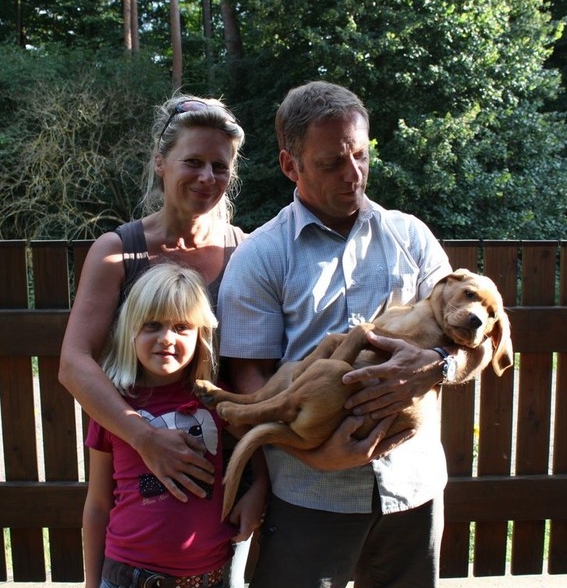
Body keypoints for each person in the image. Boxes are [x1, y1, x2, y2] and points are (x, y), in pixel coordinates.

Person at [218, 81, 490, 588]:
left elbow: (479, 337)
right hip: (311, 494)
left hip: (412, 486)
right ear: (290, 165)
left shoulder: (410, 236)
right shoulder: (261, 257)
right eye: (330, 163)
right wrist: (315, 455)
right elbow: (249, 381)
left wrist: (439, 366)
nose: (353, 174)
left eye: (361, 155)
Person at [58, 94, 258, 583]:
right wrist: (144, 437)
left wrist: (260, 482)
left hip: (225, 488)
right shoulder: (117, 252)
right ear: (160, 162)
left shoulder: (248, 253)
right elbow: (74, 363)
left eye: (220, 166)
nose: (206, 177)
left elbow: (258, 375)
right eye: (193, 161)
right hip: (135, 469)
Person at [83, 262, 267, 588]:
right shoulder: (112, 407)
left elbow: (259, 440)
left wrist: (259, 489)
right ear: (130, 330)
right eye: (152, 325)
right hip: (127, 578)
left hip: (210, 577)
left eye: (182, 327)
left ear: (201, 335)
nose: (166, 339)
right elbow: (98, 504)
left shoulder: (214, 398)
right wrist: (91, 583)